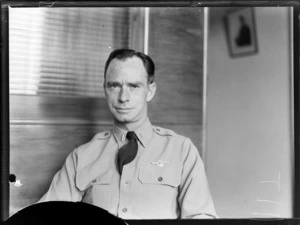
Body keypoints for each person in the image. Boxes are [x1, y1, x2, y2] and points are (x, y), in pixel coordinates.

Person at [39, 49, 217, 219]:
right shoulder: (82, 157)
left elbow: (201, 219)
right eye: (115, 86)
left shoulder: (182, 150)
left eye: (133, 86)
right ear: (105, 90)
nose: (123, 97)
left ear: (150, 91)